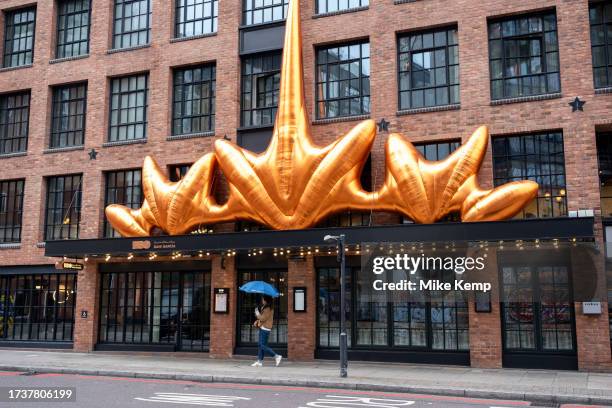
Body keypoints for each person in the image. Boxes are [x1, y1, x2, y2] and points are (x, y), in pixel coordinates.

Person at [251, 295, 282, 367]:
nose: (262, 300)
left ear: (266, 300)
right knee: (261, 345)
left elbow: (263, 318)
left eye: (263, 299)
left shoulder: (267, 308)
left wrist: (257, 313)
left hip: (265, 328)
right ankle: (259, 361)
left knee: (261, 345)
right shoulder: (266, 307)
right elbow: (263, 318)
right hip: (264, 327)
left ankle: (276, 356)